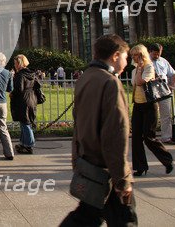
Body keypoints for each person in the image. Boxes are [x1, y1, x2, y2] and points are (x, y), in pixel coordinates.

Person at [60, 34, 137, 226]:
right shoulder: (110, 82)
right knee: (124, 219)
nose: (127, 62)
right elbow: (115, 133)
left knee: (87, 216)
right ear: (115, 56)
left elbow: (78, 124)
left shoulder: (86, 77)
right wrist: (122, 178)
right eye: (126, 57)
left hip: (88, 160)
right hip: (106, 168)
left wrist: (76, 158)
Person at [129, 44, 173, 177]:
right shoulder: (134, 69)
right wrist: (137, 68)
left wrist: (141, 67)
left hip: (149, 105)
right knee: (136, 137)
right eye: (132, 55)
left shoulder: (149, 67)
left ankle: (167, 160)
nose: (133, 58)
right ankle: (140, 167)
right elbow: (134, 84)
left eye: (135, 55)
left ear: (141, 55)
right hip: (138, 105)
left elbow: (140, 82)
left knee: (149, 137)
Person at [148, 43, 175, 143]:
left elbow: (173, 74)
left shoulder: (163, 61)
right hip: (151, 89)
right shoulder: (145, 61)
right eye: (155, 54)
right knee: (152, 115)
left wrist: (172, 86)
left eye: (159, 54)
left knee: (166, 114)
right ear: (150, 52)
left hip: (164, 89)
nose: (157, 56)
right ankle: (150, 137)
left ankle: (167, 137)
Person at [10, 55, 37, 155]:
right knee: (25, 122)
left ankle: (29, 144)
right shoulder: (31, 73)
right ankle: (23, 143)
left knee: (25, 123)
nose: (14, 65)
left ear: (19, 63)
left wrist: (12, 93)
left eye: (15, 63)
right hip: (31, 99)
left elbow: (19, 89)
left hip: (23, 100)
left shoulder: (20, 74)